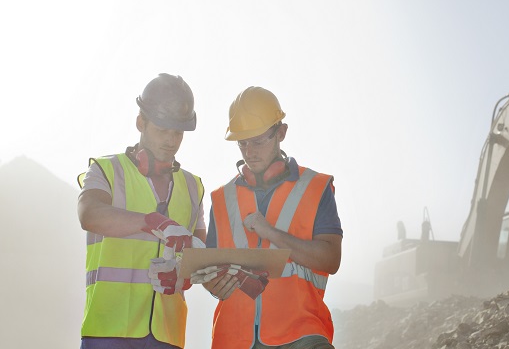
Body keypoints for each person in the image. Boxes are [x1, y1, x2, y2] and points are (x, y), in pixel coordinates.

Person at [202, 86, 342, 349]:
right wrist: (213, 284)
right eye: (242, 143)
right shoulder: (222, 199)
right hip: (233, 339)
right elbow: (210, 270)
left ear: (281, 133)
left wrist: (272, 234)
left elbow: (331, 260)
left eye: (257, 141)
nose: (249, 152)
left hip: (302, 335)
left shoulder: (315, 187)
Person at [77, 73, 206, 349]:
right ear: (140, 122)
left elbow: (201, 251)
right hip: (107, 332)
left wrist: (182, 274)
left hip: (168, 335)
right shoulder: (106, 170)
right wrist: (153, 222)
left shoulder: (193, 187)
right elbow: (89, 214)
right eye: (163, 129)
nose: (171, 140)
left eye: (178, 132)